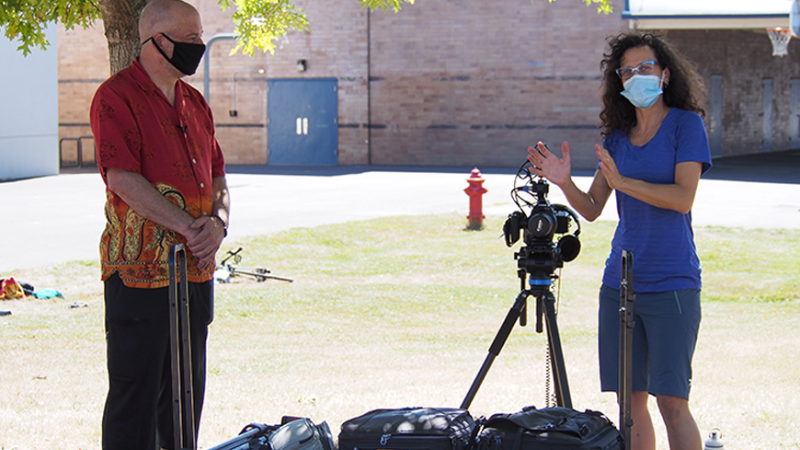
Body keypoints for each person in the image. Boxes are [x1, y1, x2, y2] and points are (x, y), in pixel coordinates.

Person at [526, 32, 711, 450]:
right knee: (630, 403)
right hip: (620, 284)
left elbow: (683, 198)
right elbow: (591, 207)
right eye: (626, 71)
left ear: (664, 75)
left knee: (672, 403)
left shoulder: (686, 124)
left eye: (645, 68)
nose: (636, 77)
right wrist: (563, 182)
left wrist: (625, 181)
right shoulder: (617, 137)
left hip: (672, 283)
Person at [89, 0, 230, 448]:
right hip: (140, 277)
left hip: (194, 272)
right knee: (137, 398)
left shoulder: (195, 103)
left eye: (200, 36)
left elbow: (219, 175)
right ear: (155, 41)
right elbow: (122, 177)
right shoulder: (116, 97)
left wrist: (218, 224)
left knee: (187, 397)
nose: (199, 46)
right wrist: (192, 227)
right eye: (190, 39)